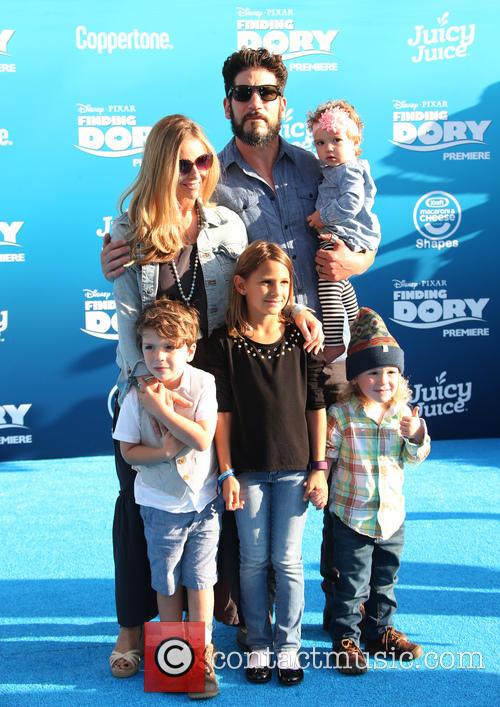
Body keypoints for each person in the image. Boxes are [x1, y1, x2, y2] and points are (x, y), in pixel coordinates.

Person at [106, 113, 322, 676]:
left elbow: (255, 285)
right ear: (159, 165)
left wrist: (293, 305)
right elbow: (130, 327)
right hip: (153, 396)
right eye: (185, 163)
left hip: (220, 395)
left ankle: (224, 630)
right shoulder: (128, 231)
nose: (199, 172)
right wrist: (153, 401)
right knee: (142, 513)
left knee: (219, 514)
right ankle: (134, 633)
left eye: (205, 161)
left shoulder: (227, 223)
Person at [208, 241, 328, 686]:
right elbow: (222, 414)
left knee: (289, 560)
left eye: (283, 283)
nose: (275, 291)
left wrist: (320, 466)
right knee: (254, 561)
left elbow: (317, 404)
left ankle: (289, 648)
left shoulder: (302, 337)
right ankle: (258, 644)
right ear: (241, 285)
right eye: (265, 283)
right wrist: (226, 471)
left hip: (298, 469)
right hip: (247, 473)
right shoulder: (224, 344)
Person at [112, 299, 221, 697]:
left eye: (170, 346)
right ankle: (175, 661)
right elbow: (128, 452)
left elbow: (201, 438)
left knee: (201, 579)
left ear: (190, 349)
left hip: (204, 505)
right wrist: (162, 451)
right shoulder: (132, 396)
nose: (159, 356)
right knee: (168, 582)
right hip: (160, 507)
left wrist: (159, 408)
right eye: (149, 347)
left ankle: (202, 653)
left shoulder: (203, 383)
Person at [321, 307, 430, 675]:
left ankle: (379, 631)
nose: (383, 380)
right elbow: (326, 454)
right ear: (355, 377)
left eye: (390, 372)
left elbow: (414, 457)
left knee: (384, 580)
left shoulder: (403, 413)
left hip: (391, 517)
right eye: (373, 372)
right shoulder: (342, 414)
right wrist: (319, 479)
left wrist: (416, 434)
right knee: (350, 582)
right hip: (351, 514)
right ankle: (346, 639)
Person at [306, 100, 381, 365]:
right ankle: (355, 324)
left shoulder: (348, 170)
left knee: (327, 280)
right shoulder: (335, 169)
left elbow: (352, 202)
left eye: (336, 140)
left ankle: (336, 340)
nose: (328, 149)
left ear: (354, 141)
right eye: (320, 143)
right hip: (346, 234)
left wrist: (321, 217)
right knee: (340, 282)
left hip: (344, 234)